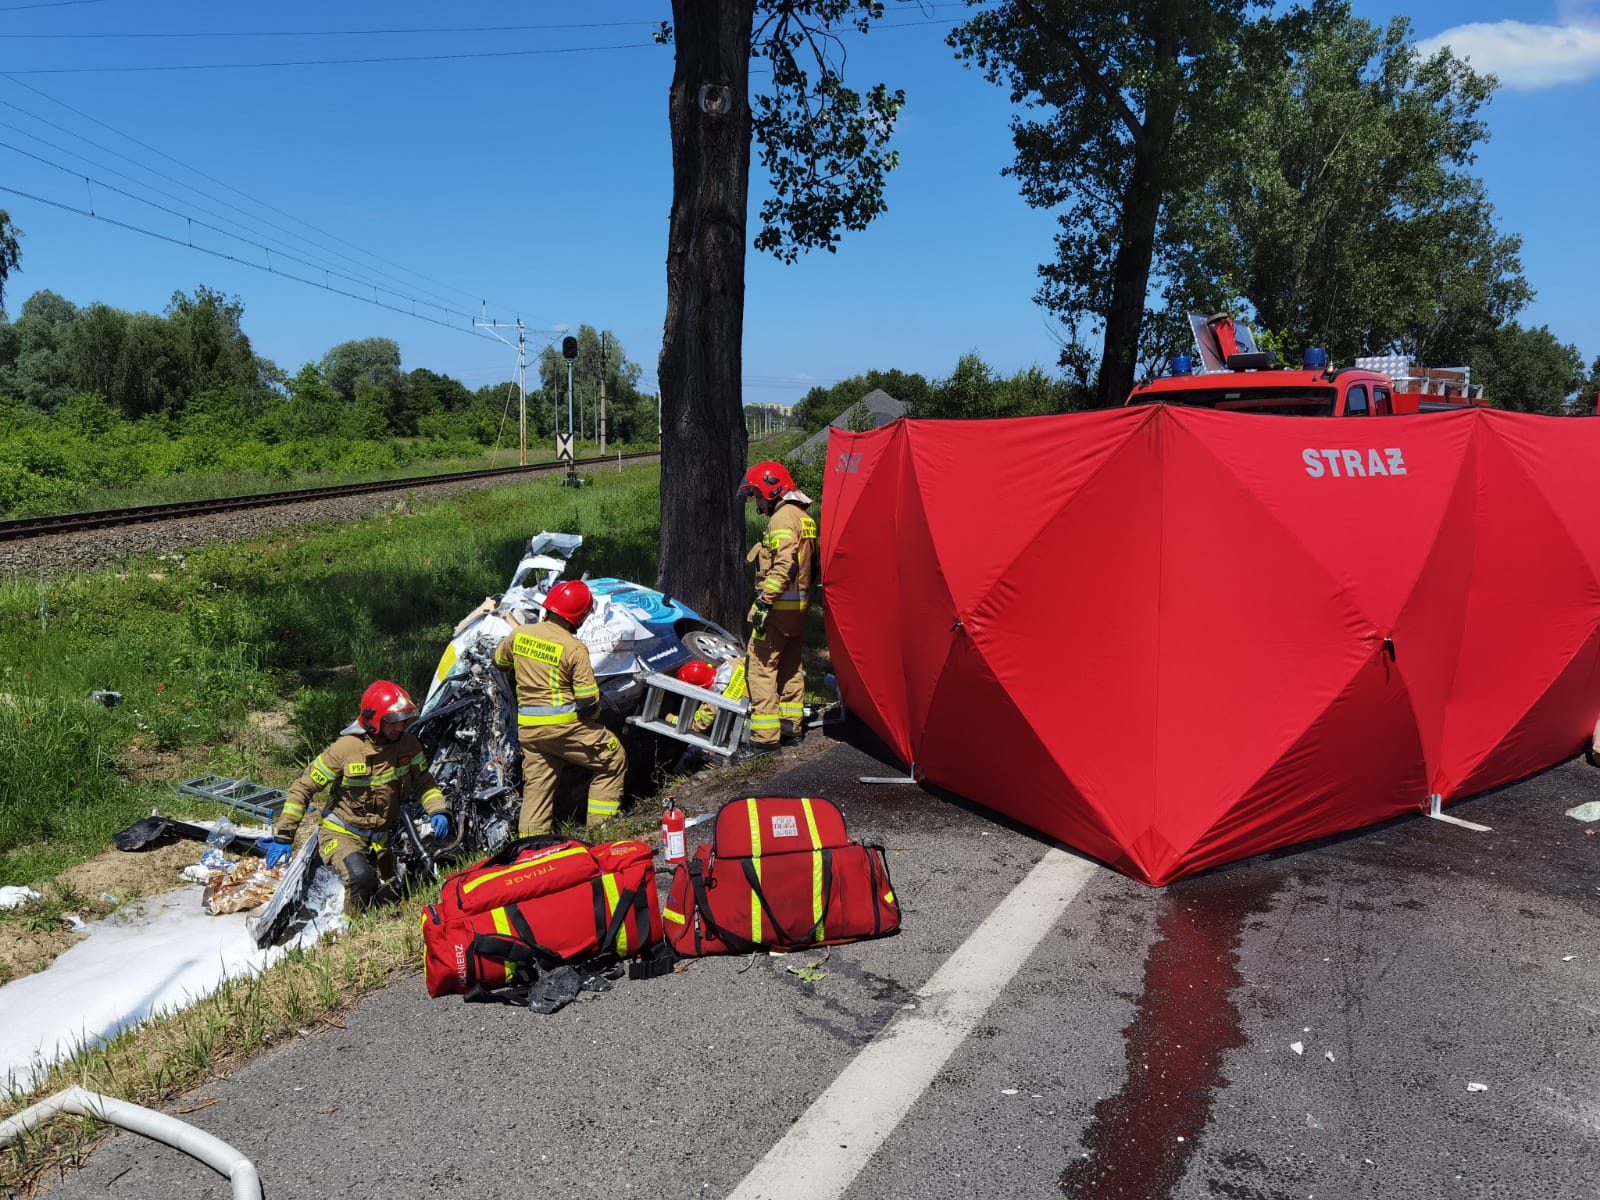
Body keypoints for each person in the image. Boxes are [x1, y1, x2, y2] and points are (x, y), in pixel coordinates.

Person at [257, 680, 452, 911]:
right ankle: (351, 931)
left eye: (404, 720)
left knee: (386, 896)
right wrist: (284, 836)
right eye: (393, 722)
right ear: (373, 721)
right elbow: (302, 788)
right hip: (342, 832)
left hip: (380, 838)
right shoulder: (345, 749)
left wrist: (438, 810)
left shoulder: (408, 746)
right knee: (361, 878)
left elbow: (424, 782)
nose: (400, 727)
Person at [494, 578, 627, 834]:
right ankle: (601, 833)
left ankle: (531, 851)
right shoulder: (574, 648)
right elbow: (588, 703)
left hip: (530, 733)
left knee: (538, 790)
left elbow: (499, 661)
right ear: (579, 616)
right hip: (564, 729)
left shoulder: (520, 634)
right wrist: (594, 718)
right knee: (613, 758)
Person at [734, 460, 817, 760]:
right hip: (797, 609)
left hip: (778, 608)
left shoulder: (782, 518)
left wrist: (764, 601)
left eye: (757, 494)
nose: (756, 501)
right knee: (791, 668)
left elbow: (785, 564)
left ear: (772, 488)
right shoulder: (802, 516)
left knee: (760, 669)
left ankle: (765, 740)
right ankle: (791, 728)